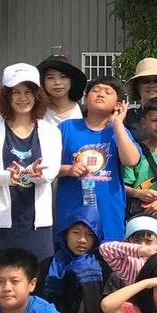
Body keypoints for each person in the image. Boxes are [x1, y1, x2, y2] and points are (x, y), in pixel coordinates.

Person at [0, 63, 62, 269]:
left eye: (28, 92)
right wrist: (10, 176)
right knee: (0, 280)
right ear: (6, 96)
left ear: (37, 95)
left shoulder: (50, 131)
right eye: (16, 92)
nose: (23, 98)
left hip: (36, 223)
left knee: (37, 280)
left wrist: (35, 174)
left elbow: (51, 171)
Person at [56, 76, 142, 245]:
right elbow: (46, 166)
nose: (100, 94)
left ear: (118, 104)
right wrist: (68, 170)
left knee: (108, 258)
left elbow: (131, 160)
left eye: (108, 92)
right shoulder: (67, 128)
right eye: (95, 91)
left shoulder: (119, 132)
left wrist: (118, 123)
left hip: (109, 214)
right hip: (72, 213)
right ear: (85, 99)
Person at [38, 55, 86, 127]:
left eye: (63, 77)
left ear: (71, 81)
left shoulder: (86, 113)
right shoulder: (35, 113)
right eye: (50, 78)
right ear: (43, 82)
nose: (57, 82)